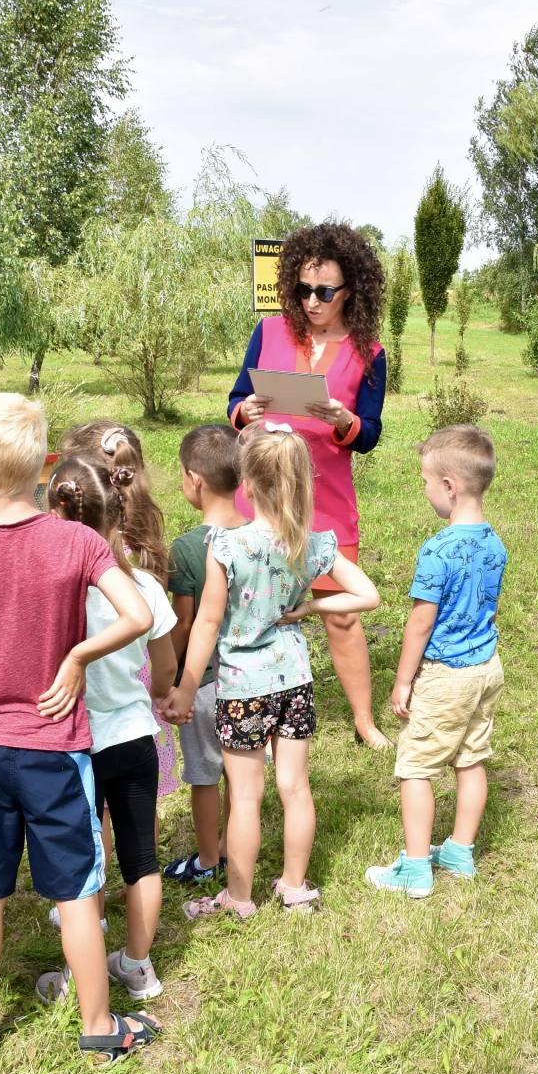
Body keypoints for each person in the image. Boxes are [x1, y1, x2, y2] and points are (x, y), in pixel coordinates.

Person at [0, 393, 159, 1062]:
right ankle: (97, 1027)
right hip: (58, 751)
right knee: (79, 894)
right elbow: (137, 616)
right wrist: (80, 655)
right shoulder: (79, 541)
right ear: (43, 466)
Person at [166, 423, 380, 919]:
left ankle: (239, 899)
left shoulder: (226, 545)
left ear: (246, 482)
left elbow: (207, 623)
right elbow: (367, 596)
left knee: (244, 797)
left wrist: (186, 687)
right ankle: (294, 886)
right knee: (295, 788)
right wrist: (307, 611)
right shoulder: (311, 542)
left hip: (242, 683)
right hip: (295, 680)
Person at [228, 222, 391, 750]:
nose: (311, 300)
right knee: (240, 602)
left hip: (326, 497)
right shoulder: (270, 332)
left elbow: (368, 434)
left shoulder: (370, 352)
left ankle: (365, 722)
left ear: (352, 290)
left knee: (341, 612)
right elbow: (234, 399)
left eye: (324, 291)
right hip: (259, 493)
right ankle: (232, 695)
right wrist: (243, 410)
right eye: (301, 289)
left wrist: (344, 419)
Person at [42, 458, 175, 1002]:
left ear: (54, 515)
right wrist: (160, 693)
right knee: (141, 856)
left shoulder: (48, 590)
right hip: (135, 739)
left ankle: (81, 971)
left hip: (75, 744)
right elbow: (165, 665)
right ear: (119, 519)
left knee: (84, 860)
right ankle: (138, 966)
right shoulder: (142, 586)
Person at [366, 425, 508, 898]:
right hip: (486, 670)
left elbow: (420, 625)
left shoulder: (437, 551)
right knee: (471, 759)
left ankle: (415, 866)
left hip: (445, 676)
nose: (425, 490)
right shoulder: (495, 543)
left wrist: (403, 681)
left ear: (449, 486)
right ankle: (459, 852)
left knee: (416, 767)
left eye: (426, 482)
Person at [58, 421, 178, 804]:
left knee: (94, 812)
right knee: (140, 809)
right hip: (136, 704)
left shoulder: (69, 561)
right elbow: (163, 656)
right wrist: (161, 692)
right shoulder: (142, 550)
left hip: (81, 707)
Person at [161, 425, 244, 887]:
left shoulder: (188, 549)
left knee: (205, 775)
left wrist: (173, 678)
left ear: (194, 479)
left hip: (206, 682)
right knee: (240, 769)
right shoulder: (261, 535)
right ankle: (236, 846)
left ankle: (209, 860)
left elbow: (187, 624)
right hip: (252, 678)